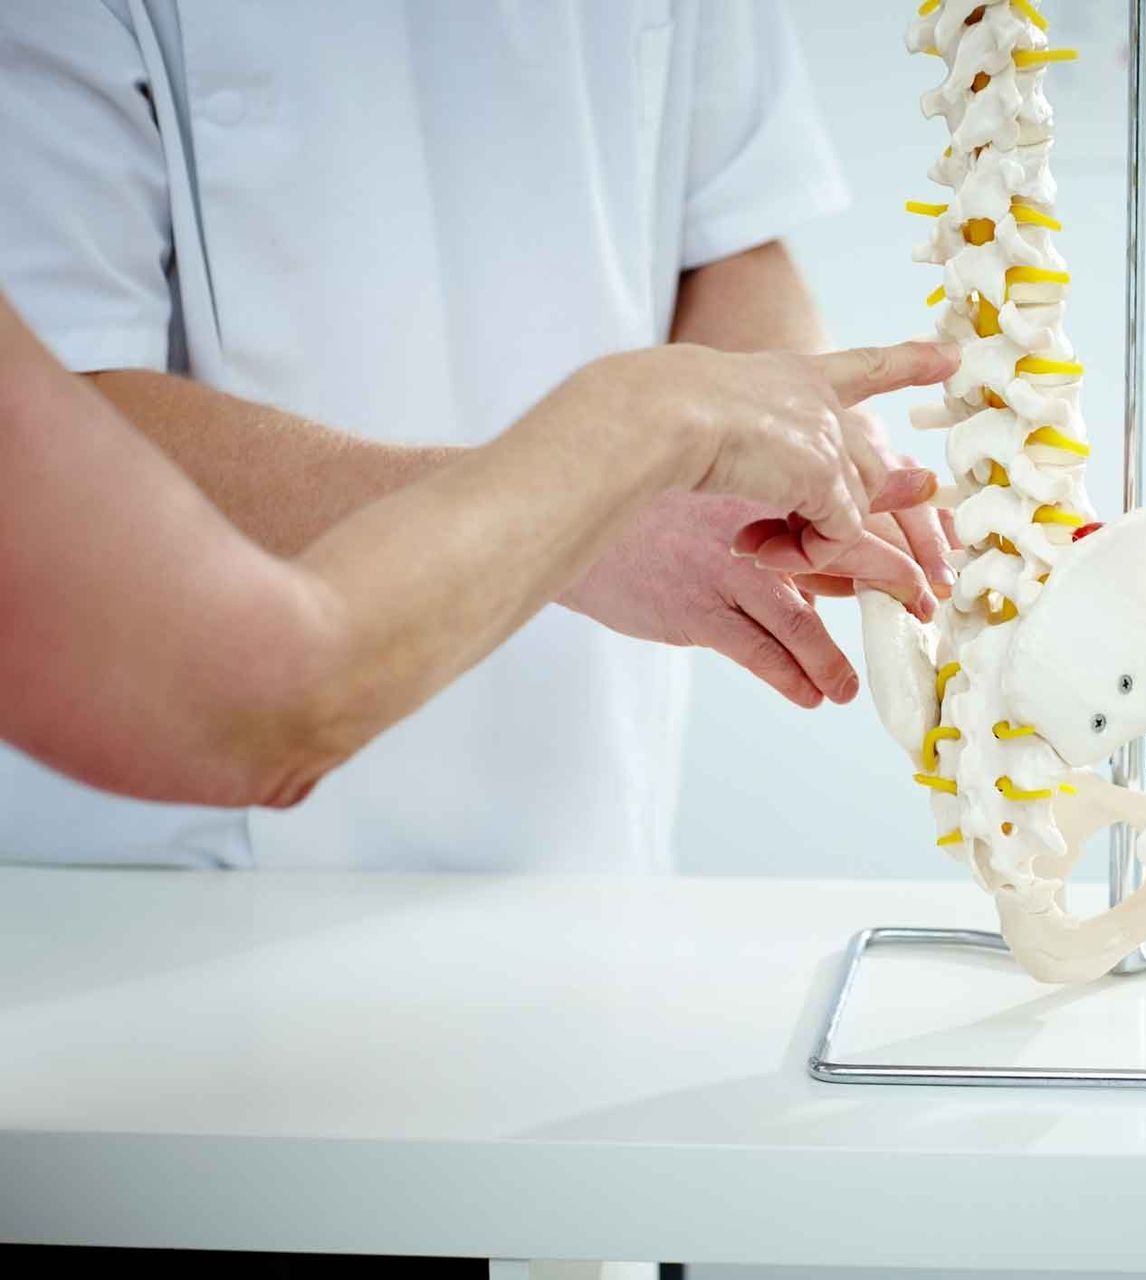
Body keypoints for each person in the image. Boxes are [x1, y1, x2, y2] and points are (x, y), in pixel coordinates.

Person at [0, 3, 940, 870]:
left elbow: (732, 228)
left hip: (575, 803)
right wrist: (595, 494)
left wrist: (792, 435)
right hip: (174, 860)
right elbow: (64, 406)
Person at [0, 291, 957, 808]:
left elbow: (730, 230)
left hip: (580, 833)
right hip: (157, 906)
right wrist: (631, 444)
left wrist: (779, 428)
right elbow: (264, 707)